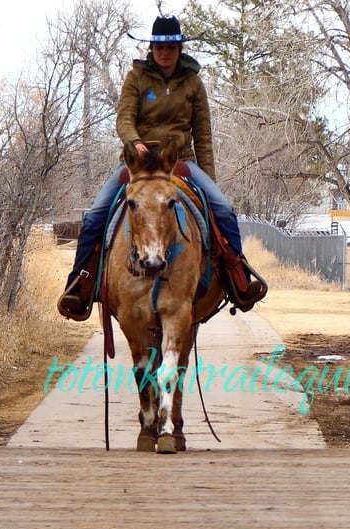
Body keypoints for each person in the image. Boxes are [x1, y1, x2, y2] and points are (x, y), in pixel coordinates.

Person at [58, 16, 264, 320]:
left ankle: (239, 277)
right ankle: (80, 283)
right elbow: (124, 118)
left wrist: (211, 182)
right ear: (151, 48)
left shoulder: (193, 83)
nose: (164, 52)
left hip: (182, 162)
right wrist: (134, 141)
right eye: (159, 46)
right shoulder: (136, 78)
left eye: (170, 46)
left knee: (223, 208)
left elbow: (202, 135)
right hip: (139, 163)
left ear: (179, 48)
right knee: (95, 216)